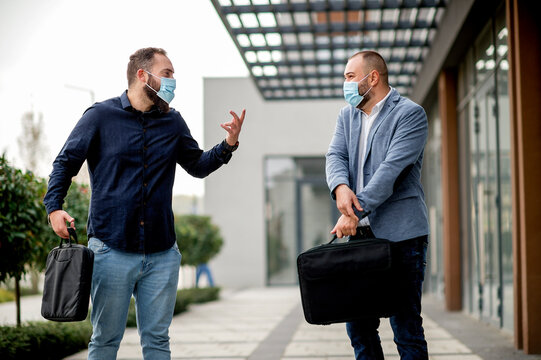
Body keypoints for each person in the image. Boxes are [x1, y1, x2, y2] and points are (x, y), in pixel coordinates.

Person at [43, 47, 245, 360]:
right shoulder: (100, 116)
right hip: (111, 249)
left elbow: (197, 165)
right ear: (142, 75)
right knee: (105, 341)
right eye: (167, 74)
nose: (173, 81)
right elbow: (65, 162)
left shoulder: (172, 122)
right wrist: (54, 207)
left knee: (157, 342)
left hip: (162, 253)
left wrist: (228, 145)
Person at [325, 50, 430, 360]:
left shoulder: (410, 114)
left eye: (348, 76)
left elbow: (390, 172)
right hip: (359, 238)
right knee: (358, 328)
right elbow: (335, 156)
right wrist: (340, 187)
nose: (344, 83)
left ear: (372, 78)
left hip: (402, 237)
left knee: (406, 329)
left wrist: (353, 212)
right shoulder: (347, 114)